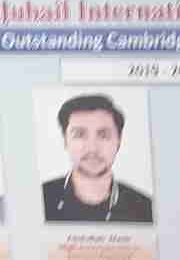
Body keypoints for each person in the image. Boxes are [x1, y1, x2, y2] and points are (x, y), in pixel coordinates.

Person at [41, 94, 154, 224]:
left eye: (103, 135)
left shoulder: (145, 209)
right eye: (79, 134)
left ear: (119, 141)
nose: (92, 148)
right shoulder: (41, 199)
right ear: (65, 140)